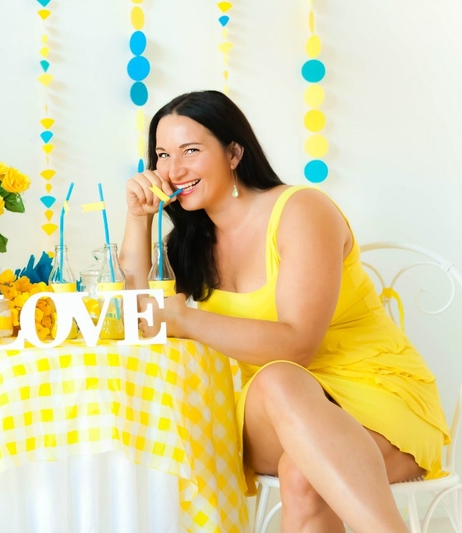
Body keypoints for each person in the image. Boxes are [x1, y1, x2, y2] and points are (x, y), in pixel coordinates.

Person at [120, 90, 449, 533]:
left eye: (191, 151)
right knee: (276, 382)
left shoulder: (301, 210)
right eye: (162, 155)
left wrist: (184, 319)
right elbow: (137, 317)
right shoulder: (190, 243)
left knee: (303, 474)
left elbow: (297, 347)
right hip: (269, 409)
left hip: (377, 394)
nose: (173, 169)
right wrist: (137, 219)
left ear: (234, 153)